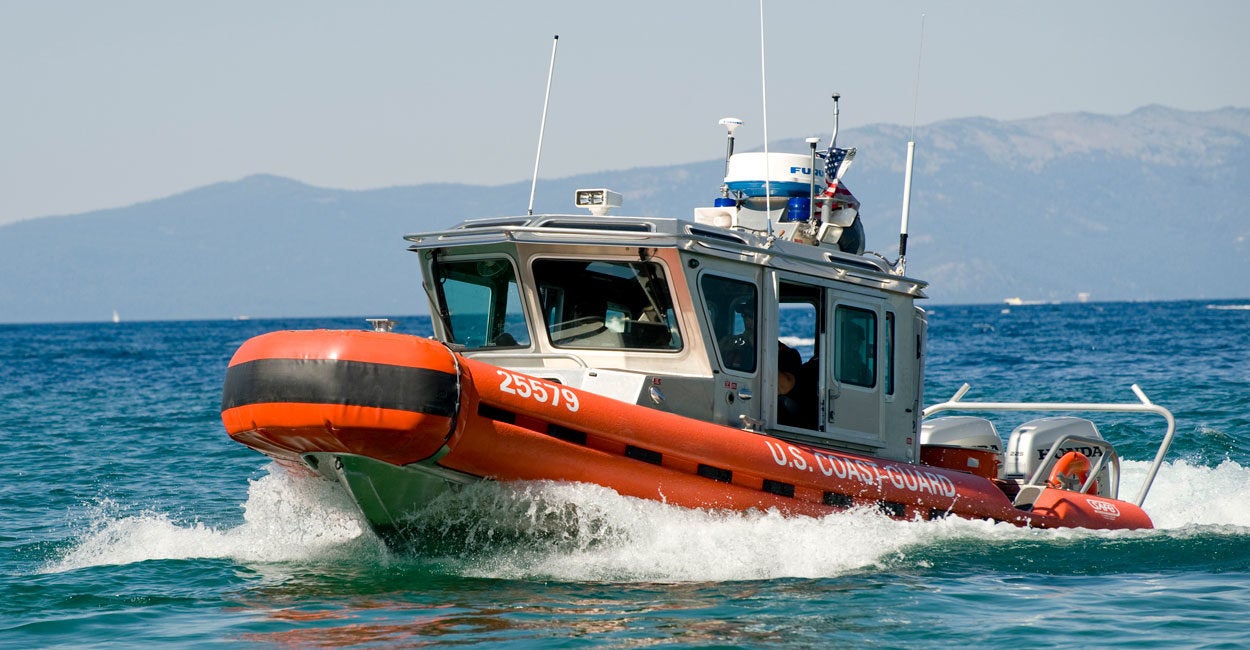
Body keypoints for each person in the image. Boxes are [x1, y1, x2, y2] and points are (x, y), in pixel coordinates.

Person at [777, 342, 806, 427]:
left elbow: (784, 388)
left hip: (787, 412)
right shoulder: (744, 349)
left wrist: (768, 356)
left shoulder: (789, 354)